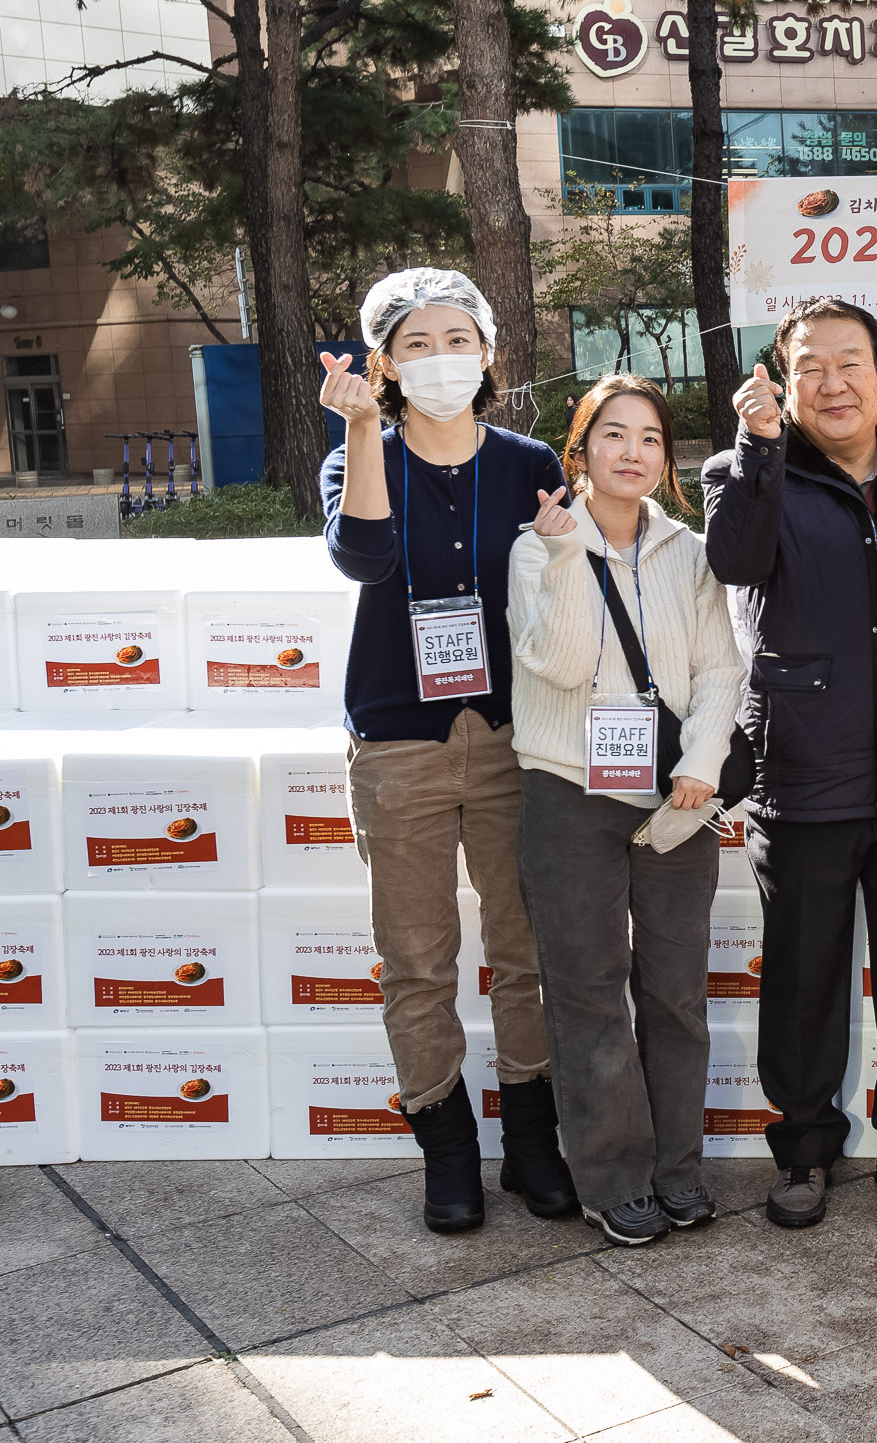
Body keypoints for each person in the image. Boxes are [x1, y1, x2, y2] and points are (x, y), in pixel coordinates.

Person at [318, 268, 577, 1234]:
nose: (440, 360)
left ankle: (535, 1143)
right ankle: (449, 1148)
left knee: (527, 950)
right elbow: (365, 559)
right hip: (399, 742)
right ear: (382, 361)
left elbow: (564, 597)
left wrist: (559, 552)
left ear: (489, 350)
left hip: (517, 735)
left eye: (456, 339)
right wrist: (356, 429)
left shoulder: (527, 458)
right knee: (418, 956)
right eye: (415, 345)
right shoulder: (358, 455)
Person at [703, 298, 877, 1229]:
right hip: (803, 774)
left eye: (851, 361)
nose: (833, 381)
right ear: (782, 377)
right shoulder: (741, 469)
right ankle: (804, 1150)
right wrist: (763, 449)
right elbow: (735, 561)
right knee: (804, 980)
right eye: (810, 364)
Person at [506, 374, 744, 1246]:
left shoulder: (689, 549)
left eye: (650, 437)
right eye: (614, 434)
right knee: (588, 992)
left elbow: (721, 669)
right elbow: (562, 667)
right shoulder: (537, 549)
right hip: (568, 793)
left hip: (676, 794)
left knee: (676, 993)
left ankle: (679, 1167)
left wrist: (701, 764)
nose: (633, 452)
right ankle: (613, 1176)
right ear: (582, 449)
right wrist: (566, 554)